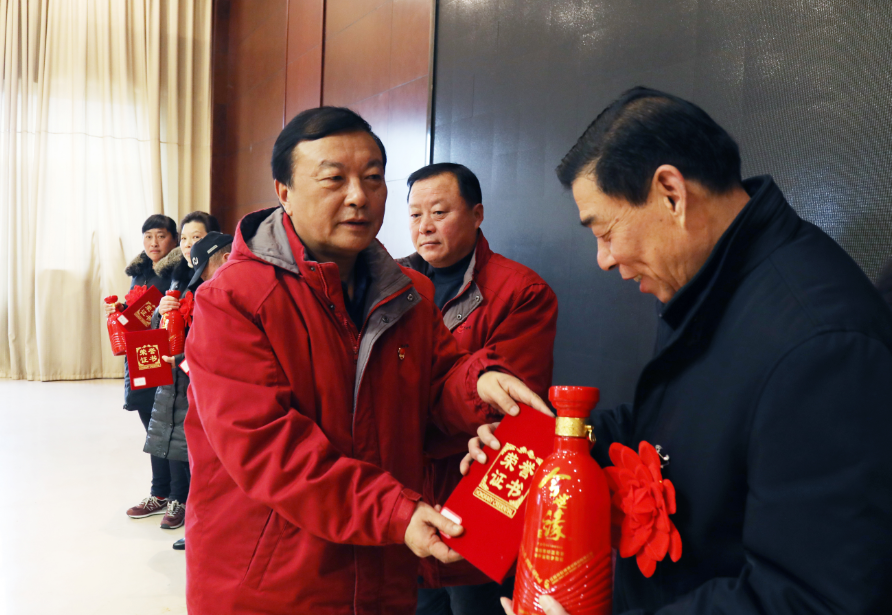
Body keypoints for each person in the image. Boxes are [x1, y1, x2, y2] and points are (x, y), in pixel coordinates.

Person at [462, 88, 892, 615]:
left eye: (605, 231)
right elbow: (674, 428)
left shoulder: (822, 345)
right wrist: (552, 445)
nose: (604, 259)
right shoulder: (712, 281)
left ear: (671, 193)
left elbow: (812, 597)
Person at [183, 106, 550, 615]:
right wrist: (396, 511)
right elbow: (268, 448)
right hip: (274, 582)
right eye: (334, 179)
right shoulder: (233, 300)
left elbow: (436, 382)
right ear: (284, 192)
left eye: (373, 178)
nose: (358, 196)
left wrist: (478, 383)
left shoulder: (407, 292)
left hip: (381, 570)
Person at [399, 163, 558, 615]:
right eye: (415, 215)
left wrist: (411, 415)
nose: (425, 226)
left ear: (477, 214)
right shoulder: (393, 284)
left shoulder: (521, 292)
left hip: (473, 503)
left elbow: (510, 414)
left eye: (439, 212)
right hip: (405, 511)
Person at [144, 212, 221, 539]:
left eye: (196, 238)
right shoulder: (178, 275)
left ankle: (195, 511)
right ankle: (175, 499)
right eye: (186, 238)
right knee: (172, 437)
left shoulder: (216, 279)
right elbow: (160, 328)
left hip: (199, 376)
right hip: (175, 373)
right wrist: (160, 314)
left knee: (200, 448)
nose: (189, 244)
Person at [106, 214, 178, 520]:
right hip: (142, 356)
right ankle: (160, 492)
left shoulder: (180, 270)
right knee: (152, 428)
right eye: (148, 236)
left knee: (168, 428)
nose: (153, 243)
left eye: (161, 235)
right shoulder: (139, 272)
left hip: (168, 358)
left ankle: (177, 495)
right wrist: (121, 311)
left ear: (174, 239)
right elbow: (140, 313)